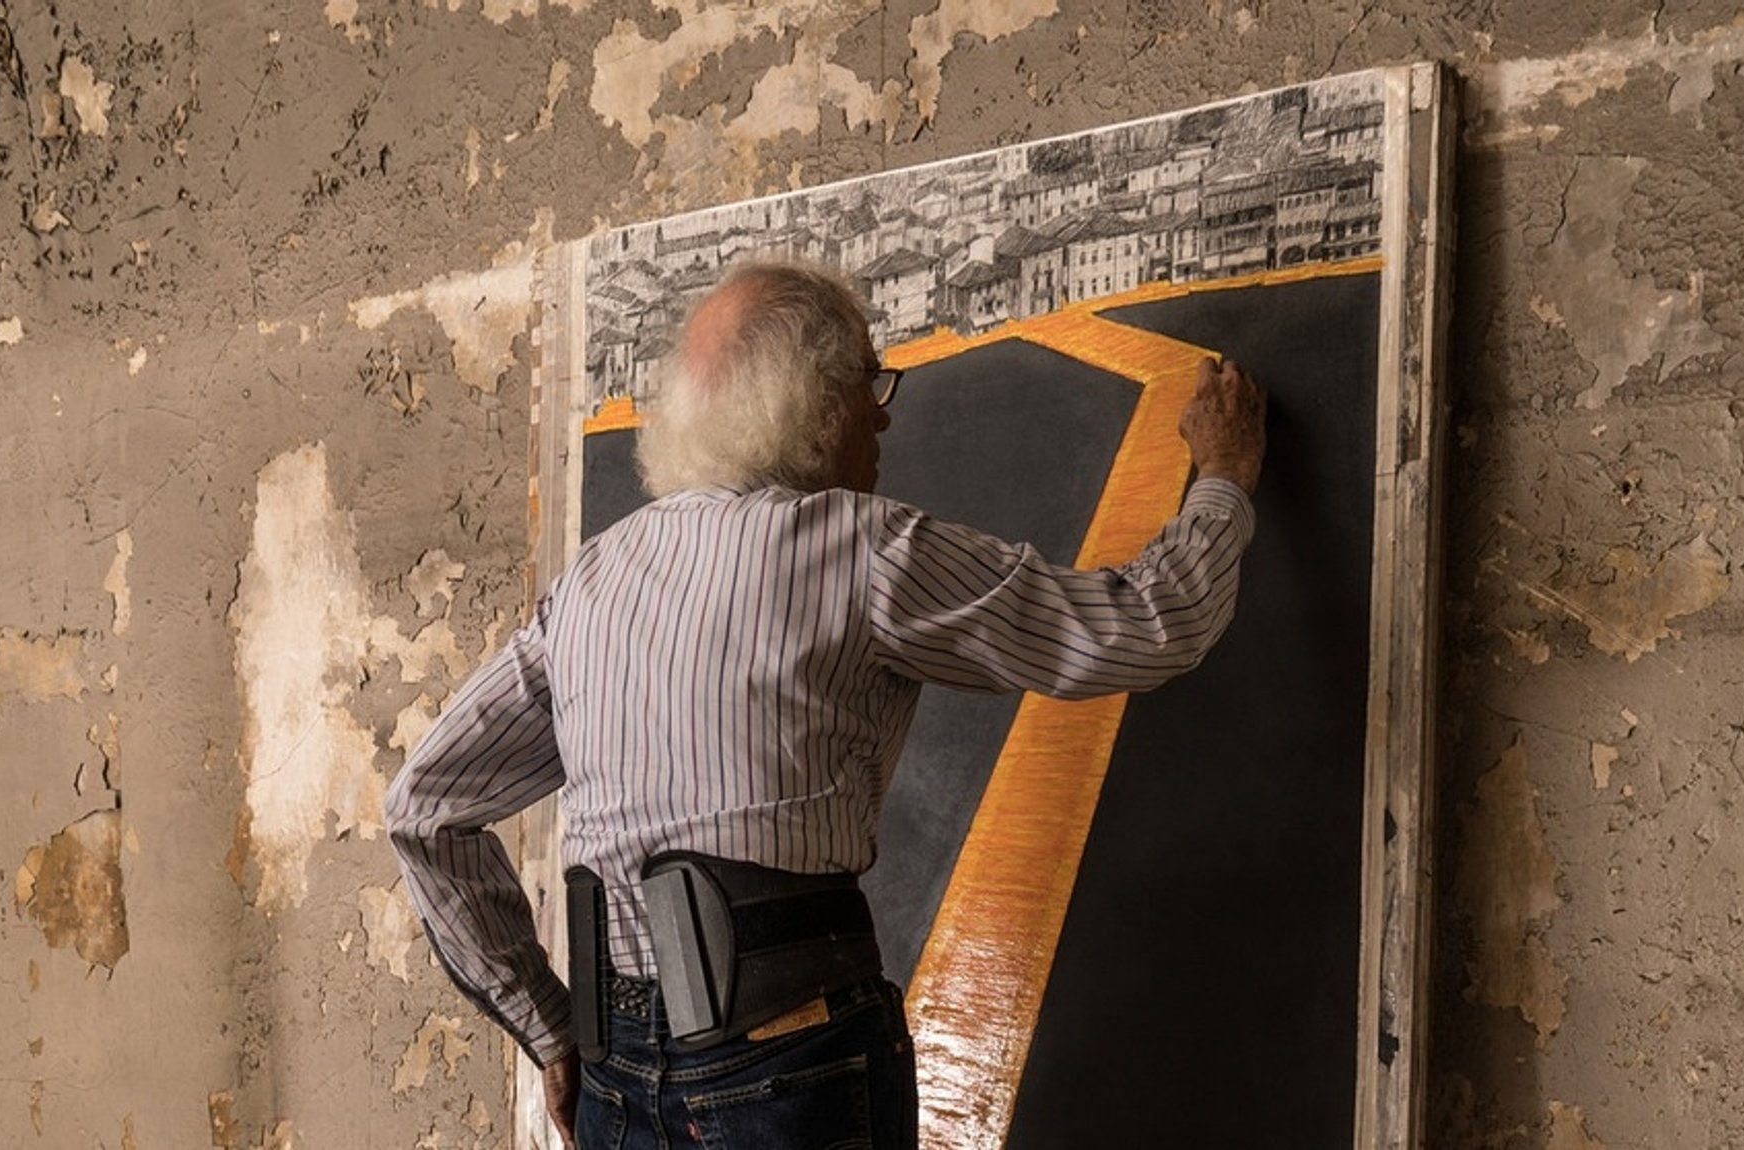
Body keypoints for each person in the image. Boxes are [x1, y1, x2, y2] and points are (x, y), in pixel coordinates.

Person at [385, 260, 1266, 1150]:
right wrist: (1224, 476)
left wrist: (548, 1028)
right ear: (814, 401)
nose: (881, 411)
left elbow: (425, 808)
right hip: (785, 1072)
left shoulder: (590, 583)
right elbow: (1152, 624)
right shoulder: (861, 549)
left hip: (615, 1082)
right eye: (865, 381)